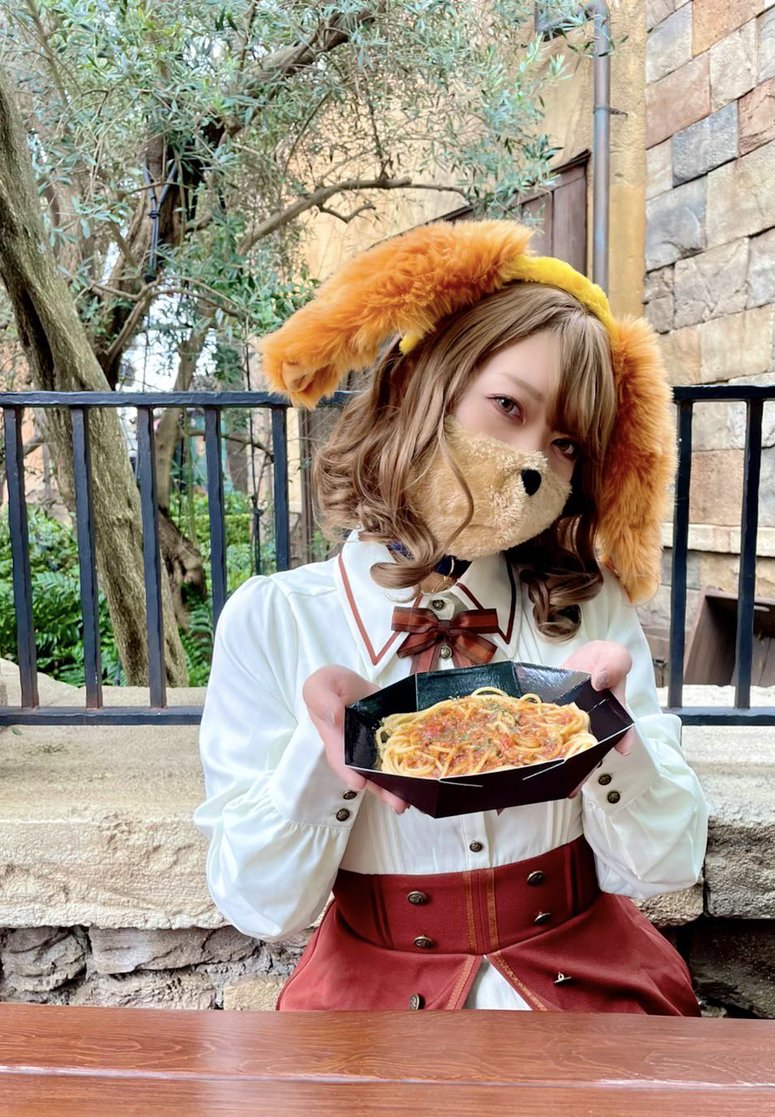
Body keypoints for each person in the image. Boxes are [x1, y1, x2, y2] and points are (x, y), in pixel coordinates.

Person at [194, 220, 709, 1014]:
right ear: (417, 388)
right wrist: (321, 754)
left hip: (587, 989)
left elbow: (664, 868)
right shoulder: (274, 622)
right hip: (371, 1014)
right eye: (507, 405)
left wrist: (611, 738)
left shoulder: (586, 607)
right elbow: (263, 908)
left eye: (567, 444)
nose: (534, 461)